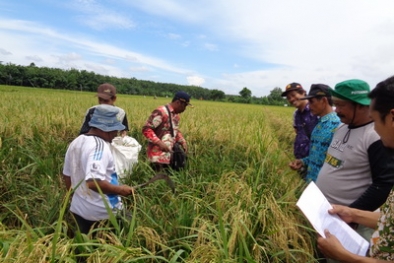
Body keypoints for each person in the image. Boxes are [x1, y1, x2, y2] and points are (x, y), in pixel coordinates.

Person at [317, 75, 394, 262]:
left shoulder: (374, 138)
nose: (336, 110)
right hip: (338, 218)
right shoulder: (342, 128)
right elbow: (389, 221)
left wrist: (347, 257)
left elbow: (382, 183)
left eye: (375, 120)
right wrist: (352, 214)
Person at [63, 104, 134, 235]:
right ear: (105, 129)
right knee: (131, 228)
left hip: (79, 210)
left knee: (83, 249)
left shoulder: (76, 142)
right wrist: (121, 190)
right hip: (102, 213)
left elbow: (67, 177)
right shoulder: (99, 146)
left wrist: (78, 199)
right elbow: (93, 182)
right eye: (114, 130)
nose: (115, 134)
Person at [289, 84, 341, 182]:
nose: (310, 105)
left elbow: (337, 162)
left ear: (324, 101)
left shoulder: (338, 125)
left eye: (312, 102)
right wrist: (303, 161)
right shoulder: (319, 124)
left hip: (324, 187)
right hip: (311, 183)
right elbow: (318, 155)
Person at [142, 91, 191, 172]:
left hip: (169, 155)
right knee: (156, 178)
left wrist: (182, 141)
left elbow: (174, 130)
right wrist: (159, 143)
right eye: (184, 106)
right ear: (178, 102)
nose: (184, 109)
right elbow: (146, 129)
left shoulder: (176, 116)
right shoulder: (161, 112)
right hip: (157, 156)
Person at [282, 82, 319, 177]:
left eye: (293, 95)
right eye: (288, 98)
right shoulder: (296, 114)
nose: (291, 99)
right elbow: (298, 133)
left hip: (316, 161)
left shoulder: (316, 111)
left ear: (303, 93)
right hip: (301, 160)